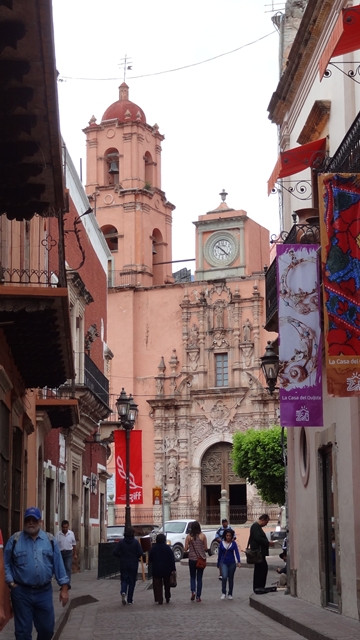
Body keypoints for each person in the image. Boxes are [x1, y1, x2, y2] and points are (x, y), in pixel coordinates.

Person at [4, 507, 69, 640]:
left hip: (44, 592)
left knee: (47, 630)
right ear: (24, 521)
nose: (31, 523)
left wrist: (64, 588)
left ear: (40, 522)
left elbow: (59, 565)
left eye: (34, 520)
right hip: (22, 592)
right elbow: (5, 564)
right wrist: (11, 583)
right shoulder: (15, 540)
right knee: (23, 633)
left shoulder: (50, 540)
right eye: (28, 520)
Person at [113, 526, 143, 605]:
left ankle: (123, 591)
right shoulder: (136, 542)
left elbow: (115, 552)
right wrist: (136, 556)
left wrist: (120, 556)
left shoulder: (121, 542)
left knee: (124, 579)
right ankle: (130, 599)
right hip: (133, 562)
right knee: (132, 581)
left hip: (124, 562)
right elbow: (140, 553)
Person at [248, 513, 274, 592]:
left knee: (262, 569)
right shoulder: (255, 526)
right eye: (266, 522)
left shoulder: (257, 527)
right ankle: (258, 587)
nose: (266, 524)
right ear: (263, 520)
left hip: (260, 553)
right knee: (261, 569)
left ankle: (260, 586)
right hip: (258, 553)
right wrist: (267, 543)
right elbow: (258, 538)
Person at [148, 533, 176, 605]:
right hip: (167, 569)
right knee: (167, 584)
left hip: (157, 569)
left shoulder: (153, 548)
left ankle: (159, 598)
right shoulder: (167, 548)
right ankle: (167, 597)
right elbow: (171, 559)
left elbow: (150, 558)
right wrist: (173, 569)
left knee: (157, 584)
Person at [184, 521, 208, 602]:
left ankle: (193, 591)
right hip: (201, 559)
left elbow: (185, 548)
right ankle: (198, 596)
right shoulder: (203, 536)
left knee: (192, 576)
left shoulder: (188, 537)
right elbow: (206, 548)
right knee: (199, 578)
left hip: (192, 559)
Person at [217, 529, 241, 600]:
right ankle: (223, 592)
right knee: (224, 577)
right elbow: (220, 554)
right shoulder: (221, 543)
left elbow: (236, 552)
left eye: (230, 536)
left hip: (232, 563)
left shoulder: (233, 543)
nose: (228, 537)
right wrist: (218, 563)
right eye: (227, 535)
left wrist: (239, 561)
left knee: (231, 578)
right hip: (224, 563)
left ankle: (230, 593)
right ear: (225, 535)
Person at [55, 520, 77, 586]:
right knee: (61, 569)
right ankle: (62, 582)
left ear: (68, 527)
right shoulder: (58, 534)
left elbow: (74, 544)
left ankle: (67, 584)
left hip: (69, 553)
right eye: (63, 527)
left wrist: (74, 554)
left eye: (66, 527)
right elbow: (55, 545)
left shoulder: (71, 534)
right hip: (60, 553)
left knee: (68, 568)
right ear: (61, 527)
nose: (65, 529)